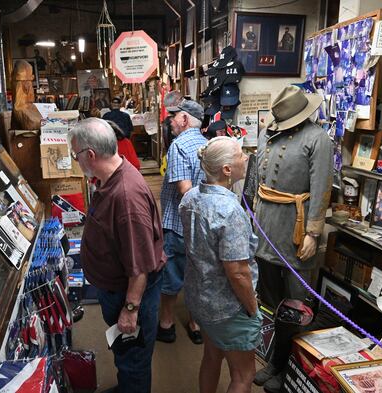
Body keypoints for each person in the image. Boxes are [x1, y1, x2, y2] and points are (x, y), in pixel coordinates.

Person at [68, 118, 165, 393]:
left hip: (130, 295)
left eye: (76, 155)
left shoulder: (126, 198)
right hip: (116, 290)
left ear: (90, 155)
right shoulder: (113, 176)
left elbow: (139, 269)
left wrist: (130, 310)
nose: (76, 161)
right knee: (126, 355)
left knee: (134, 360)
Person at [253, 86, 333, 392]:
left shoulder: (318, 138)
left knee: (296, 304)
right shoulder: (266, 134)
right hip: (265, 228)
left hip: (296, 230)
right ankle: (275, 360)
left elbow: (322, 185)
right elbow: (257, 182)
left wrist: (314, 232)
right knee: (272, 302)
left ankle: (289, 367)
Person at [179, 137, 261, 393]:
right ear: (227, 169)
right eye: (240, 155)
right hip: (228, 306)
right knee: (244, 374)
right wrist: (252, 308)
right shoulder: (230, 211)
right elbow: (237, 272)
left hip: (200, 297)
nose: (245, 158)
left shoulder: (191, 197)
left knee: (212, 356)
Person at [158, 99, 207, 345]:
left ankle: (166, 324)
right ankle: (196, 324)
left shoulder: (179, 145)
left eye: (175, 116)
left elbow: (185, 190)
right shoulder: (209, 145)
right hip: (204, 226)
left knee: (172, 273)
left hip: (179, 223)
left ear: (185, 119)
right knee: (197, 274)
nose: (171, 120)